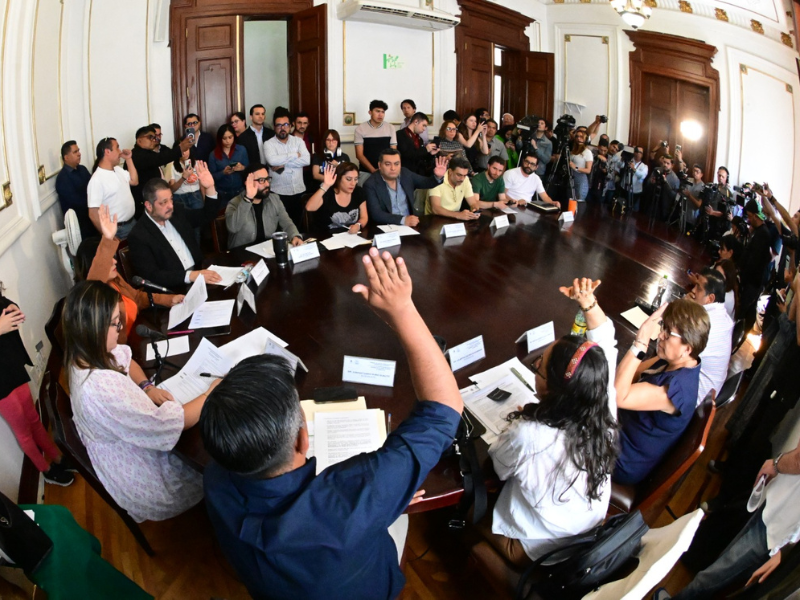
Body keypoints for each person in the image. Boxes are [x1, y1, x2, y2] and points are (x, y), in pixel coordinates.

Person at [200, 247, 464, 600]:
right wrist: (402, 310)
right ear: (302, 439)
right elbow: (443, 410)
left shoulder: (216, 479)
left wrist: (382, 494)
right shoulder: (354, 497)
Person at [484, 277, 619, 566]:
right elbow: (605, 342)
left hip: (539, 546)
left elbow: (498, 465)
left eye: (539, 368)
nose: (536, 368)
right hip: (584, 532)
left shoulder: (530, 434)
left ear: (553, 391)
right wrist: (588, 304)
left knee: (468, 506)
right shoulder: (602, 402)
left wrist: (519, 422)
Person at [63, 280, 212, 522]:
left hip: (129, 441)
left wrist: (146, 387)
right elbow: (169, 423)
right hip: (143, 475)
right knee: (212, 462)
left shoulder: (87, 351)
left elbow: (125, 360)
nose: (120, 327)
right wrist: (209, 393)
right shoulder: (101, 389)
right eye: (115, 323)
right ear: (93, 328)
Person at [655, 433, 800, 600]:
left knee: (712, 578)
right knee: (718, 572)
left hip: (780, 533)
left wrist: (776, 464)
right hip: (777, 509)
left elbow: (798, 460)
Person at [613, 299, 710, 485]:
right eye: (662, 327)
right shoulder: (674, 360)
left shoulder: (675, 390)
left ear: (687, 348)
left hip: (622, 456)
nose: (660, 335)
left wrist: (640, 342)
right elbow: (633, 373)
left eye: (668, 333)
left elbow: (618, 395)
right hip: (619, 428)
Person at [74, 205, 184, 342]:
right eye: (109, 259)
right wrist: (107, 239)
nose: (115, 262)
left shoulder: (114, 279)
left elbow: (137, 297)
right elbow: (95, 280)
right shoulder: (93, 298)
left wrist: (169, 300)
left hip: (139, 334)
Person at [0, 293, 73, 486]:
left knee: (33, 418)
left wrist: (13, 308)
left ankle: (56, 457)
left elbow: (3, 302)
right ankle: (46, 470)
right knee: (23, 430)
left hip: (11, 364)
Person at [127, 165, 222, 289]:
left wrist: (210, 187)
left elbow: (206, 216)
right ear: (149, 206)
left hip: (200, 275)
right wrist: (190, 276)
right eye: (164, 202)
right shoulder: (139, 235)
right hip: (175, 290)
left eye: (171, 199)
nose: (170, 206)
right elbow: (153, 275)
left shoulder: (176, 212)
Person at [225, 163, 303, 250]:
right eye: (261, 180)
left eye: (267, 179)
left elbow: (287, 223)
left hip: (267, 250)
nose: (267, 184)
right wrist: (248, 199)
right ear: (248, 183)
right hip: (242, 252)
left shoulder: (274, 199)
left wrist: (295, 236)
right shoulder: (234, 203)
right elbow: (233, 228)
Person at [686, 268, 734, 406]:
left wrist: (684, 305)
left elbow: (675, 352)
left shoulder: (705, 323)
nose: (693, 291)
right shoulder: (722, 315)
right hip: (700, 389)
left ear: (710, 298)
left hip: (692, 397)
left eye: (698, 288)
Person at [363, 149, 446, 226]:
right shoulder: (370, 184)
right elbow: (376, 214)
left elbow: (425, 182)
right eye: (388, 164)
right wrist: (403, 220)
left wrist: (437, 177)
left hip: (410, 225)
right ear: (380, 165)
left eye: (396, 164)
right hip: (386, 227)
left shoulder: (405, 174)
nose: (393, 168)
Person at [265, 107, 311, 230]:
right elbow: (272, 161)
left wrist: (284, 164)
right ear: (274, 127)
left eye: (285, 124)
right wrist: (295, 155)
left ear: (290, 126)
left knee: (298, 227)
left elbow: (306, 160)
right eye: (279, 125)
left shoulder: (298, 142)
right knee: (280, 228)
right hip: (278, 193)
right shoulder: (268, 144)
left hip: (298, 191)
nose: (282, 128)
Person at [130, 124, 192, 213]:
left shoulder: (149, 152)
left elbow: (164, 155)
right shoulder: (137, 155)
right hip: (145, 202)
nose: (154, 140)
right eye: (150, 137)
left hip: (155, 199)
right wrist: (180, 148)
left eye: (154, 137)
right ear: (139, 140)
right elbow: (160, 158)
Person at [87, 137, 138, 240]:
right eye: (117, 148)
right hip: (118, 230)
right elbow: (93, 213)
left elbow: (134, 181)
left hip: (132, 222)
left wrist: (128, 159)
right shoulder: (97, 179)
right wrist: (108, 235)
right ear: (107, 152)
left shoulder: (118, 170)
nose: (120, 151)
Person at [306, 162, 368, 232]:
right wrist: (326, 185)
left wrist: (358, 225)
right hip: (326, 235)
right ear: (338, 178)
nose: (353, 183)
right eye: (348, 179)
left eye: (356, 179)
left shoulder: (358, 192)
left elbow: (364, 217)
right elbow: (309, 207)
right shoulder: (328, 193)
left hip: (350, 235)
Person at [55, 140, 95, 240]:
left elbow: (93, 187)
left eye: (78, 151)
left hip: (92, 215)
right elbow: (76, 203)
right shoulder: (63, 178)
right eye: (75, 152)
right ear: (66, 157)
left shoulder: (82, 169)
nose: (79, 154)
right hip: (80, 224)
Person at [207, 124, 248, 205]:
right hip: (222, 193)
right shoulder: (213, 155)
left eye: (230, 137)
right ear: (220, 139)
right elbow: (211, 177)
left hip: (240, 191)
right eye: (224, 138)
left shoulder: (241, 150)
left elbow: (249, 170)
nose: (228, 141)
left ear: (234, 136)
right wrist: (223, 172)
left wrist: (242, 168)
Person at [354, 100, 397, 175]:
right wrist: (373, 170)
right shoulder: (360, 129)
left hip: (386, 170)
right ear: (370, 112)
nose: (380, 115)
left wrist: (385, 169)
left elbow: (393, 152)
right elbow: (359, 155)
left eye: (383, 112)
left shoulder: (390, 128)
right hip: (366, 171)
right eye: (377, 111)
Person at [619, 146, 648, 212]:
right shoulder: (628, 161)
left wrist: (634, 169)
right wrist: (623, 159)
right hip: (624, 188)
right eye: (636, 151)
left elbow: (642, 176)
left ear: (642, 155)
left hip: (635, 192)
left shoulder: (644, 166)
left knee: (633, 211)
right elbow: (620, 166)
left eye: (640, 152)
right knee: (621, 208)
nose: (638, 154)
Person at [568, 129, 593, 202]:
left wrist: (575, 167)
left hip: (580, 179)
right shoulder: (573, 150)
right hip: (571, 179)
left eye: (581, 137)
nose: (579, 138)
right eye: (577, 136)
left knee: (579, 201)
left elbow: (588, 170)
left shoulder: (587, 152)